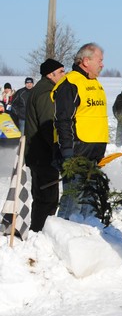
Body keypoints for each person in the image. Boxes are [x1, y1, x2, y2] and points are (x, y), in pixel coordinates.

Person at [52, 42, 110, 219]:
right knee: (72, 203)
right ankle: (60, 238)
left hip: (94, 155)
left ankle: (86, 240)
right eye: (99, 60)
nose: (102, 64)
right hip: (76, 153)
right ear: (86, 61)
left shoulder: (96, 84)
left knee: (89, 205)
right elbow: (63, 119)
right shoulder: (70, 83)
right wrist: (67, 152)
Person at [23, 59, 65, 231]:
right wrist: (59, 148)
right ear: (51, 74)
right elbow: (48, 125)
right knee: (46, 199)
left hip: (40, 154)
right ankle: (38, 234)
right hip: (43, 155)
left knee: (44, 197)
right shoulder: (46, 93)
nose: (64, 74)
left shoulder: (44, 90)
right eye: (61, 71)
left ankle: (38, 233)